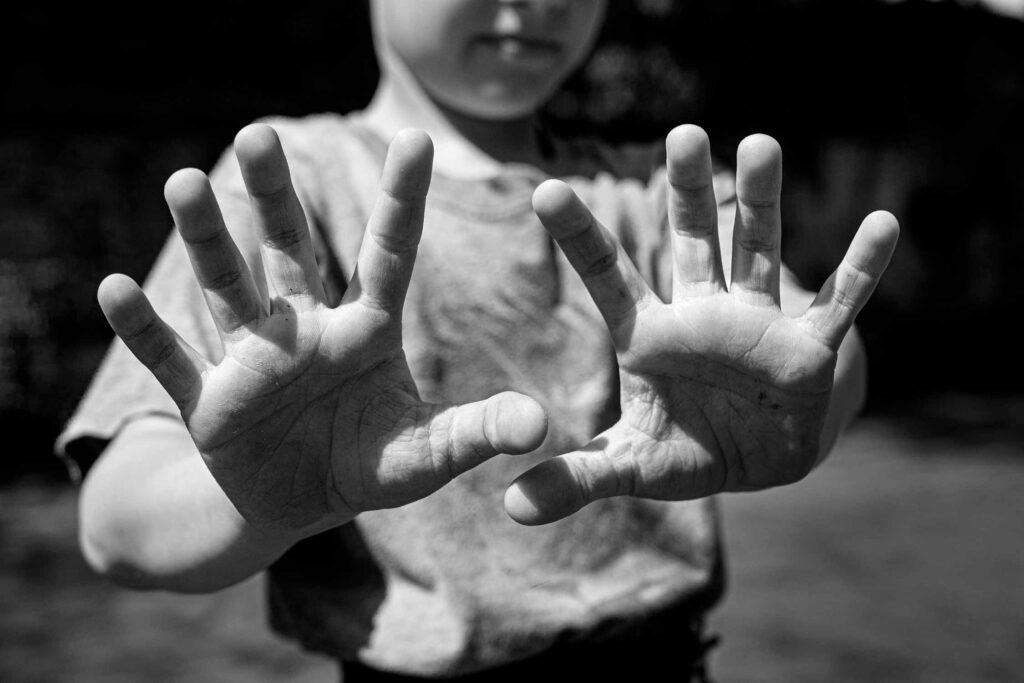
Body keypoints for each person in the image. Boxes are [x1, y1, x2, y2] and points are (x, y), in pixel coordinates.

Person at [58, 0, 899, 680]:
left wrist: (810, 402)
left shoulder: (656, 194)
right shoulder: (290, 186)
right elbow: (117, 521)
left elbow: (813, 349)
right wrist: (253, 500)